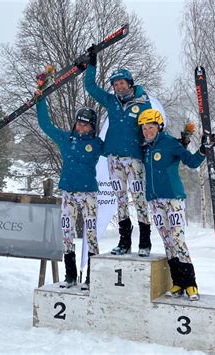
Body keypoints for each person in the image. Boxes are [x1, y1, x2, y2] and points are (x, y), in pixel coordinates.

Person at [137, 108, 215, 301]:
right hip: (155, 201)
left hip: (173, 199)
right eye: (144, 128)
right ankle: (178, 282)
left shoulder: (170, 143)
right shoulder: (144, 148)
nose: (147, 132)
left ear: (159, 127)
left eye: (151, 127)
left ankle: (191, 284)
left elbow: (192, 162)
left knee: (178, 240)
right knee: (167, 241)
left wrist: (204, 149)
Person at [84, 46, 152, 257]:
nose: (118, 87)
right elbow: (91, 87)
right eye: (115, 84)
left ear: (130, 83)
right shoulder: (111, 101)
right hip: (114, 159)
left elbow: (152, 130)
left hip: (135, 159)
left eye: (122, 83)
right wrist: (92, 65)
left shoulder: (143, 103)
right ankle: (124, 242)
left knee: (139, 198)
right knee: (120, 199)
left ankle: (145, 241)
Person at [36, 97, 103, 290]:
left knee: (91, 235)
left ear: (92, 127)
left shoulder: (97, 143)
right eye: (79, 123)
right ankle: (71, 276)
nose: (81, 127)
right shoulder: (66, 139)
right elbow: (45, 125)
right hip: (68, 193)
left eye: (86, 125)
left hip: (89, 194)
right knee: (66, 234)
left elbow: (117, 149)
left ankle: (92, 277)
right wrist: (41, 99)